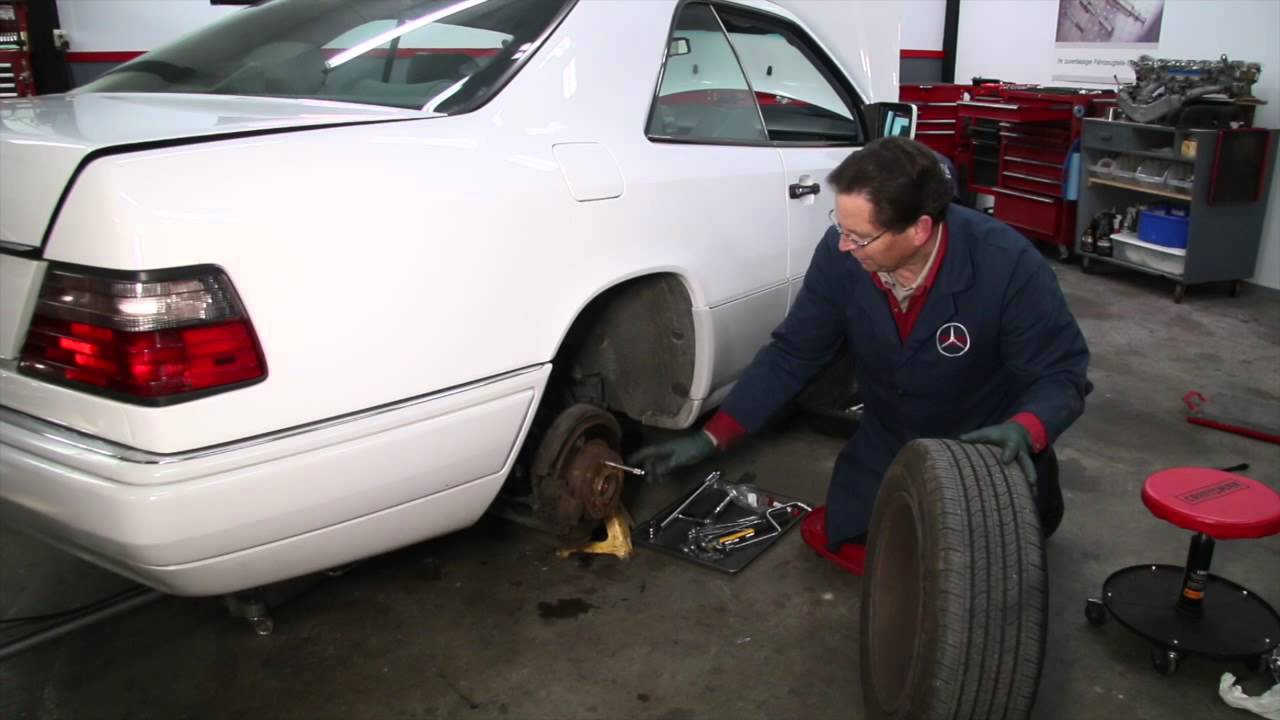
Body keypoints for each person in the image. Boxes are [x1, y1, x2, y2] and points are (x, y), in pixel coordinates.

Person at [629, 137, 1091, 575]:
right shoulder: (841, 254)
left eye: (860, 236)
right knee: (853, 540)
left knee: (979, 568)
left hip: (981, 449)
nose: (844, 245)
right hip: (891, 437)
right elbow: (794, 352)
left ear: (919, 229)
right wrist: (713, 437)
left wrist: (1026, 428)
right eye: (840, 226)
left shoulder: (1007, 265)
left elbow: (1062, 374)